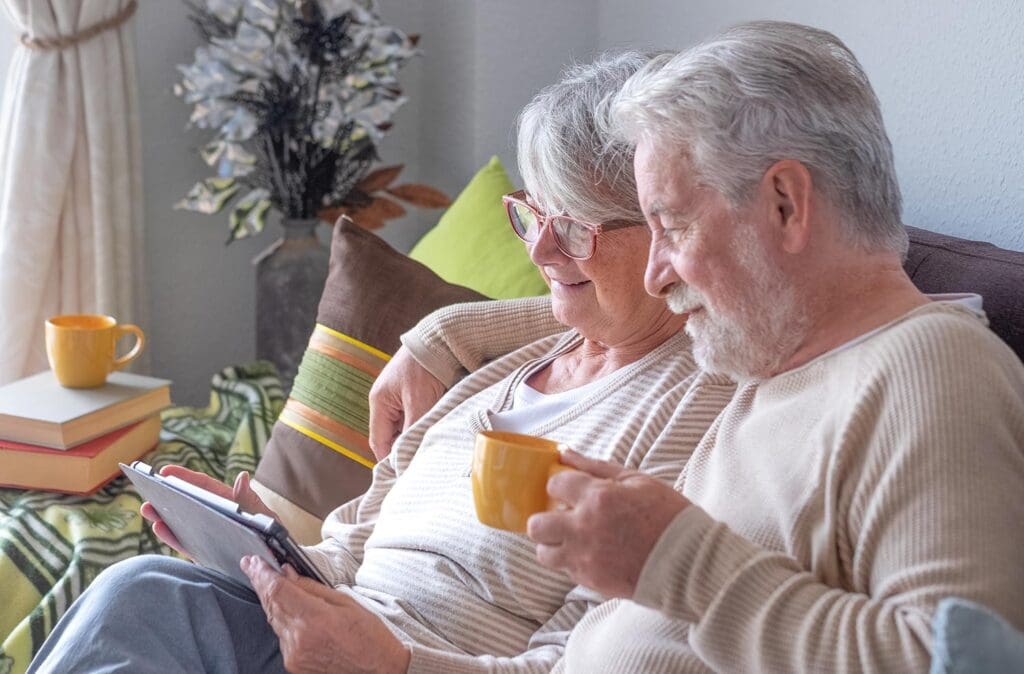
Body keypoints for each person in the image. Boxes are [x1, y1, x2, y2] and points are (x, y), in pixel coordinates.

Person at [28, 52, 739, 673]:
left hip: (401, 664)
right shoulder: (491, 375)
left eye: (576, 229)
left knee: (142, 603)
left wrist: (391, 663)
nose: (541, 253)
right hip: (322, 640)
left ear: (664, 229)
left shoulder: (688, 410)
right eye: (531, 216)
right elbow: (351, 553)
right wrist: (256, 548)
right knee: (147, 586)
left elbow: (575, 658)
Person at [369, 21, 1024, 673]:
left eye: (673, 226)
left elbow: (963, 664)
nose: (657, 275)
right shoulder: (768, 382)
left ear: (786, 205)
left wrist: (678, 559)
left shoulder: (929, 367)